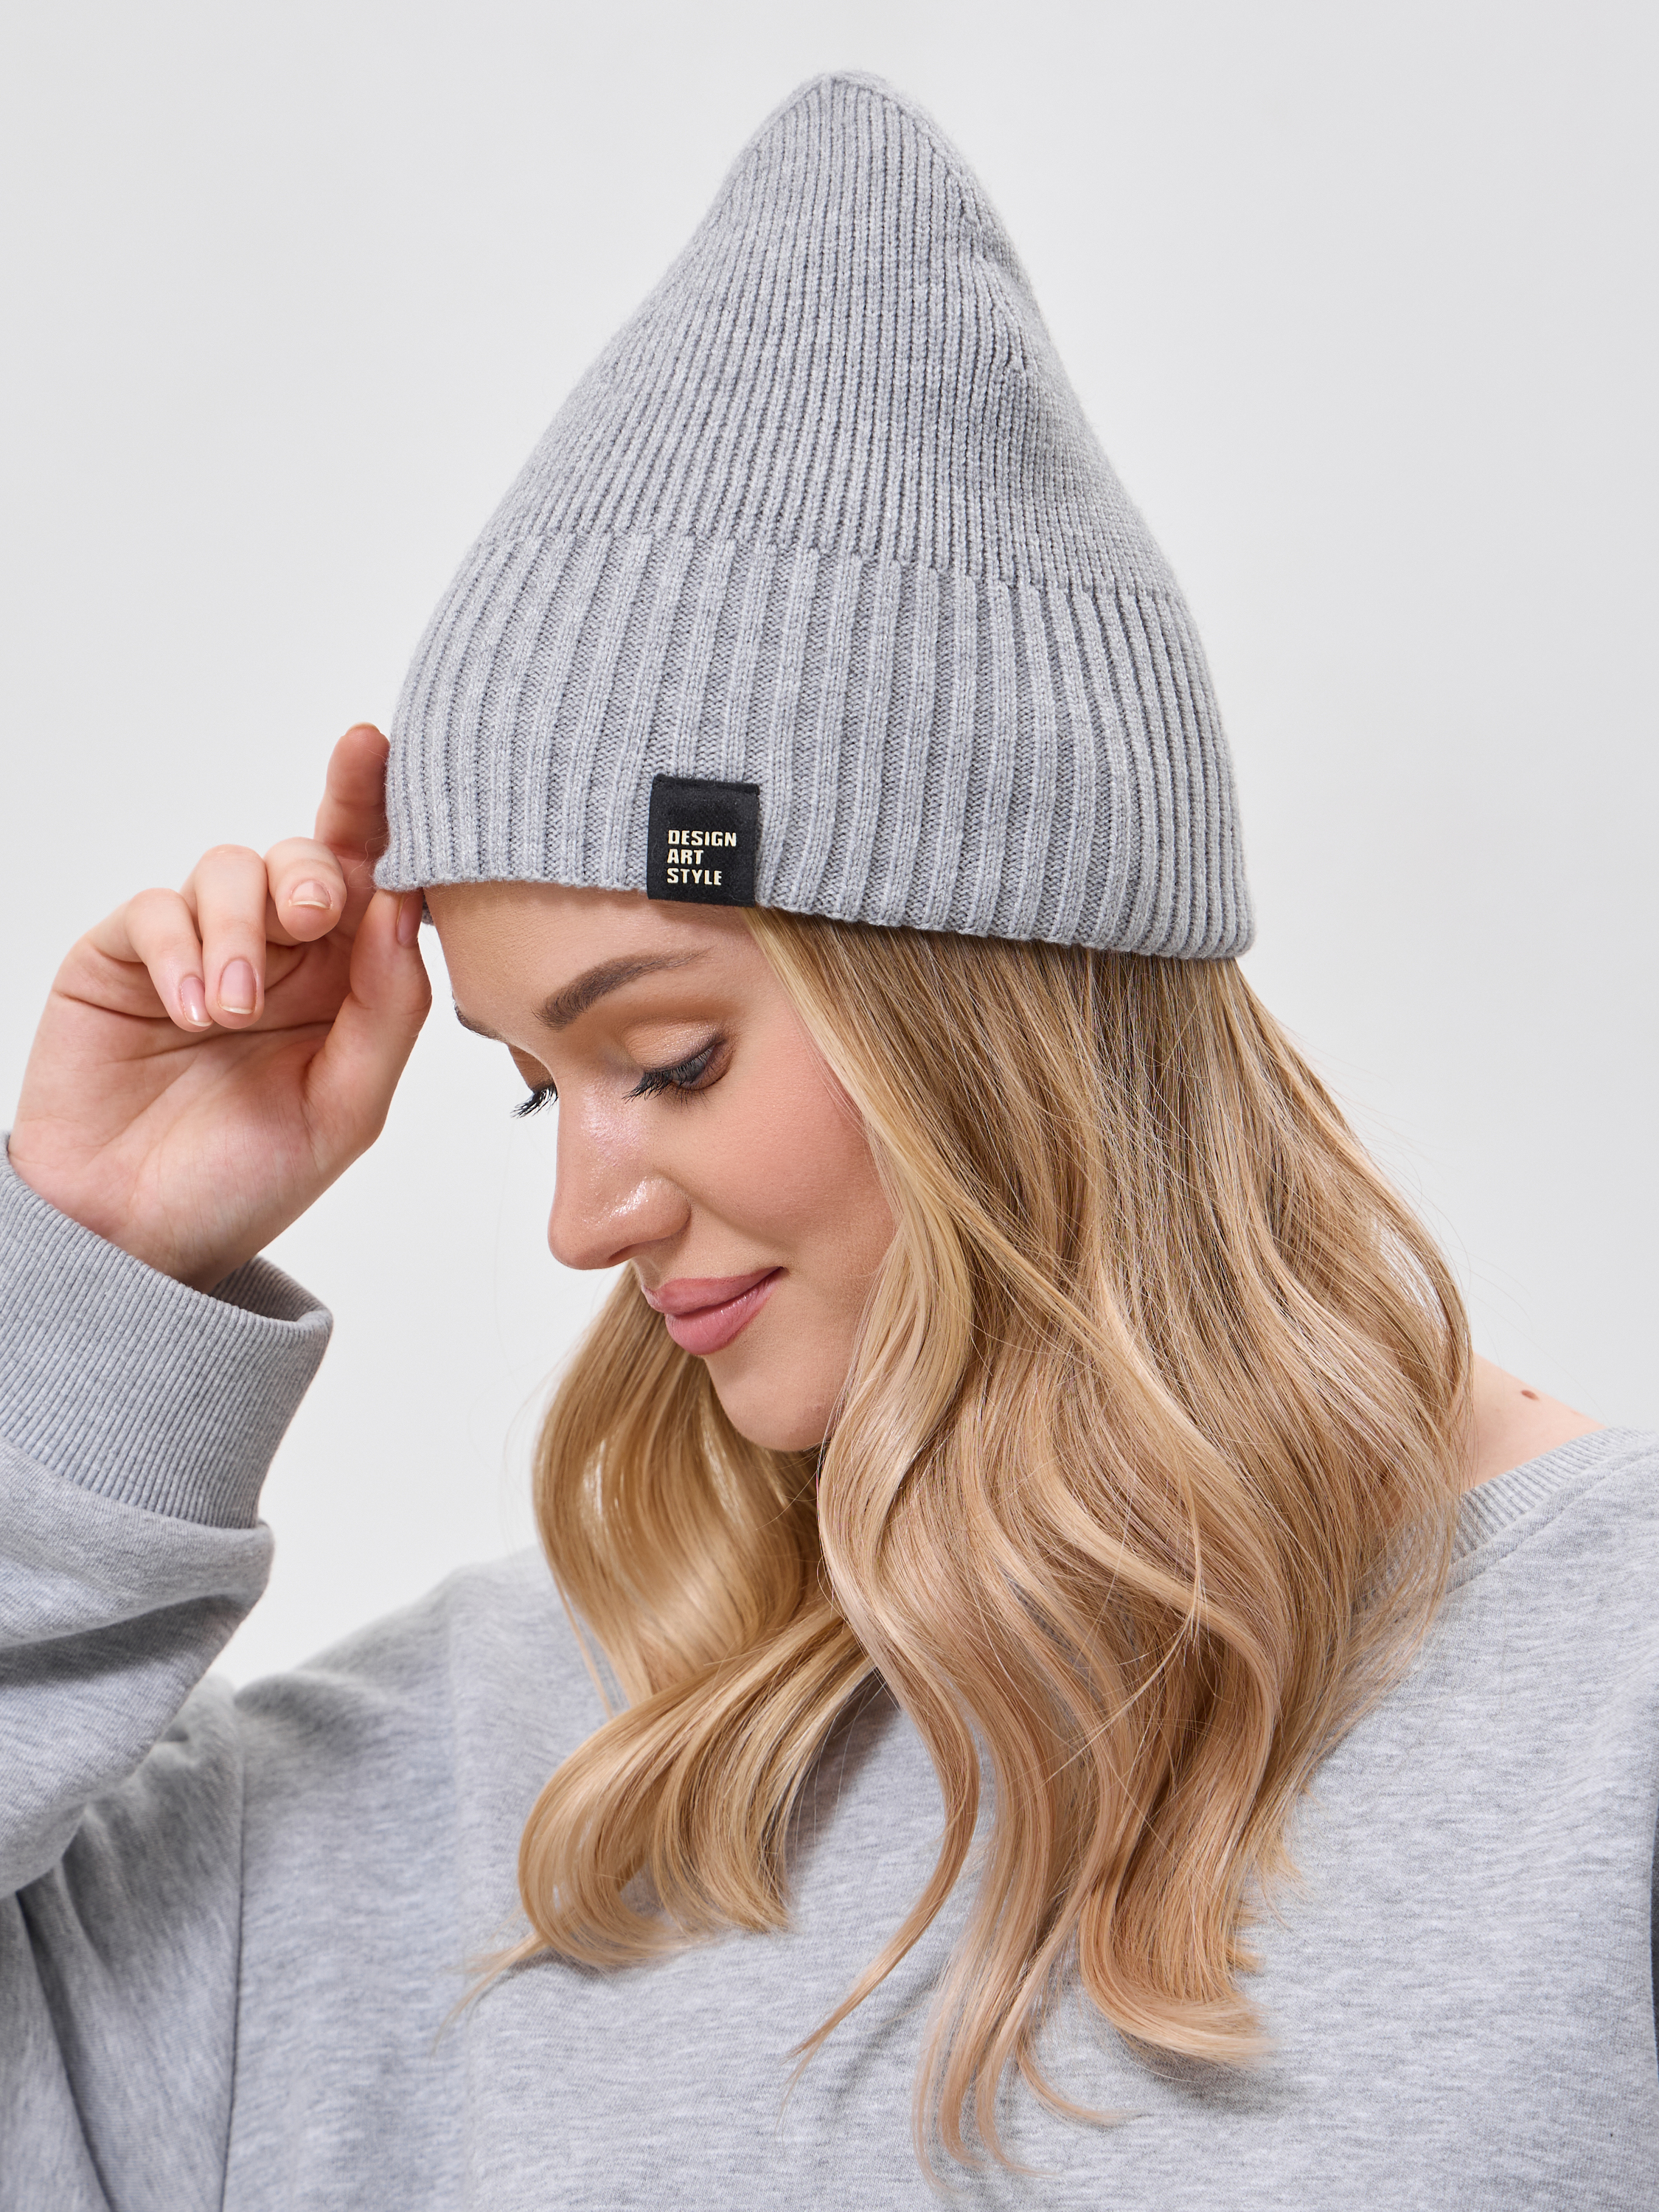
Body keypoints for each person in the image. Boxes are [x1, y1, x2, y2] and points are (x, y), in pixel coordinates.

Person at [1, 69, 1653, 2212]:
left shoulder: (1607, 1707)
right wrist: (87, 1288)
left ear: (983, 1006)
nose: (582, 1219)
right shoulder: (459, 1790)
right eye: (533, 1082)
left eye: (669, 1057)